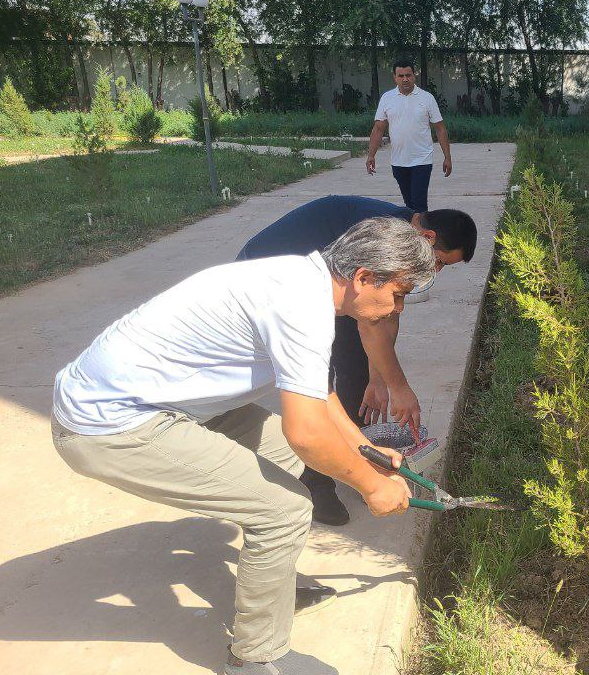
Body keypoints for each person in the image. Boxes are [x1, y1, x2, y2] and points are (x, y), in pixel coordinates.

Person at [51, 217, 435, 675]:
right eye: (399, 293)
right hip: (110, 423)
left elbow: (320, 395)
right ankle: (255, 657)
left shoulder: (303, 280)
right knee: (282, 509)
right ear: (363, 278)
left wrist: (364, 453)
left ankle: (270, 589)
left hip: (163, 398)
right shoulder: (299, 306)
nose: (397, 308)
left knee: (292, 461)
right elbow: (308, 433)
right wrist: (373, 487)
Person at [239, 195, 478, 526]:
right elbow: (374, 322)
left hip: (334, 284)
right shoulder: (391, 236)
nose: (435, 271)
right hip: (270, 275)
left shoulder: (404, 240)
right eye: (439, 262)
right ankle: (316, 481)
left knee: (355, 373)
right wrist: (401, 388)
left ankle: (362, 462)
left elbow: (386, 314)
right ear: (428, 238)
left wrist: (378, 379)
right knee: (313, 386)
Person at [366, 60, 453, 211]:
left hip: (422, 160)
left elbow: (440, 129)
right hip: (398, 161)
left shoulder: (427, 98)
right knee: (409, 205)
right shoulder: (387, 98)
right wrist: (371, 155)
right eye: (401, 76)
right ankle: (415, 231)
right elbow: (378, 129)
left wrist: (447, 157)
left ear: (414, 76)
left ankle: (422, 233)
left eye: (408, 75)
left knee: (419, 203)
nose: (405, 79)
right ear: (395, 77)